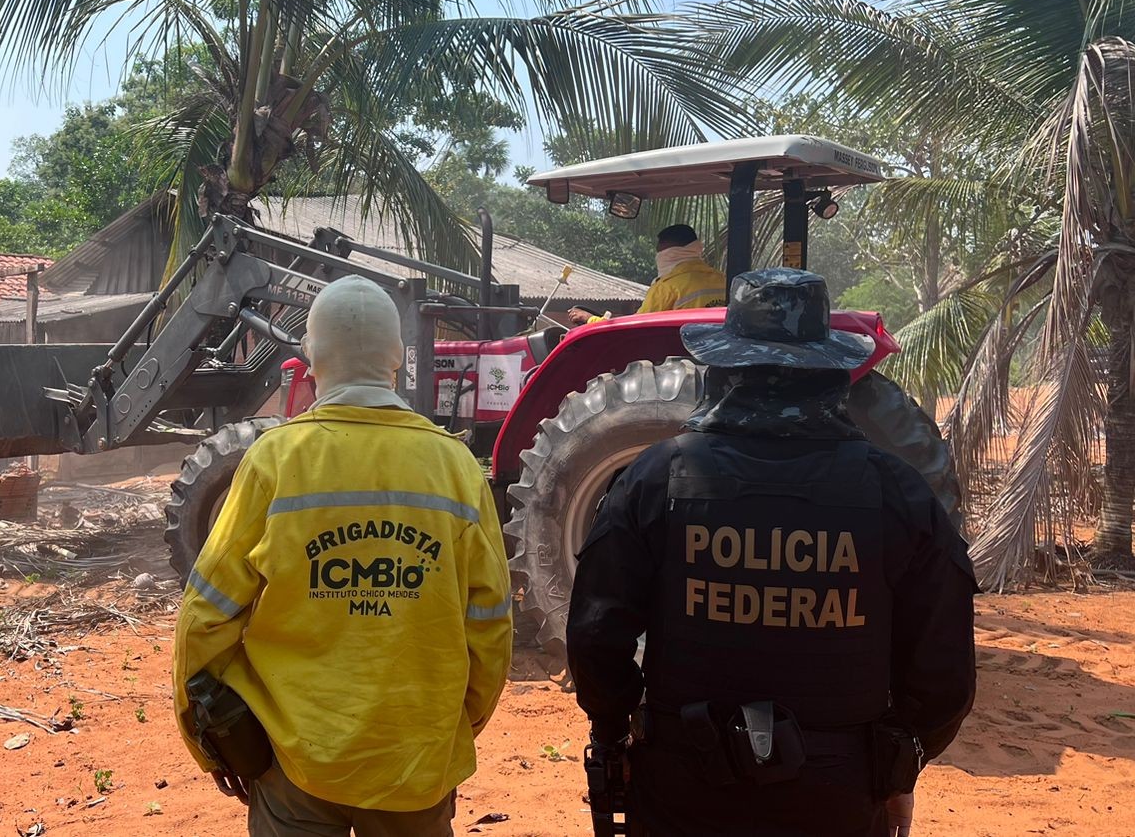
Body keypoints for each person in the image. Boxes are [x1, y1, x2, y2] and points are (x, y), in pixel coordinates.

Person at [567, 268, 977, 836]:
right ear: (831, 373)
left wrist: (615, 733)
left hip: (684, 789)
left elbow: (596, 637)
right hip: (837, 797)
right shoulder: (897, 493)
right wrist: (898, 764)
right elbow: (943, 672)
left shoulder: (654, 479)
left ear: (724, 367)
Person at [173, 275, 514, 837]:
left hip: (296, 762)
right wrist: (454, 731)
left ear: (312, 357)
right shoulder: (455, 468)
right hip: (415, 760)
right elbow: (490, 623)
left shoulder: (275, 461)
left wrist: (208, 737)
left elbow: (206, 614)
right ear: (397, 357)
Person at [568, 224, 725, 325]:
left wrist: (590, 319)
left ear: (670, 253)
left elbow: (634, 327)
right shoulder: (723, 280)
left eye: (660, 252)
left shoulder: (666, 287)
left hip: (677, 354)